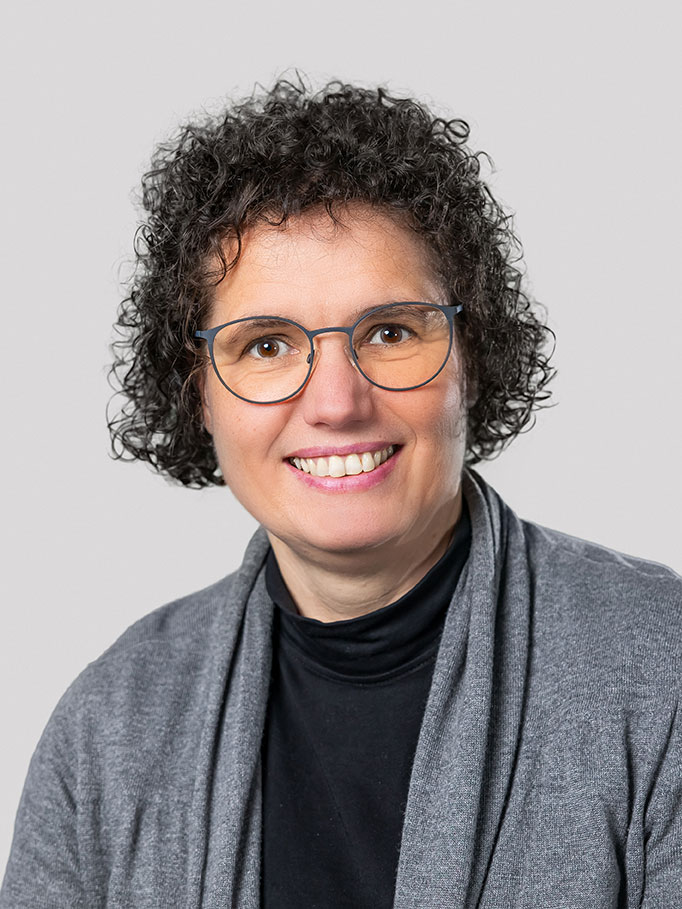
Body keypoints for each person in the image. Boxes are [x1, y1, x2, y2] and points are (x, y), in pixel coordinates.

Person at [2, 78, 681, 908]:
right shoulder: (107, 727)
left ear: (471, 356)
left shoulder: (662, 674)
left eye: (390, 331)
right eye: (266, 344)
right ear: (197, 392)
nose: (336, 402)